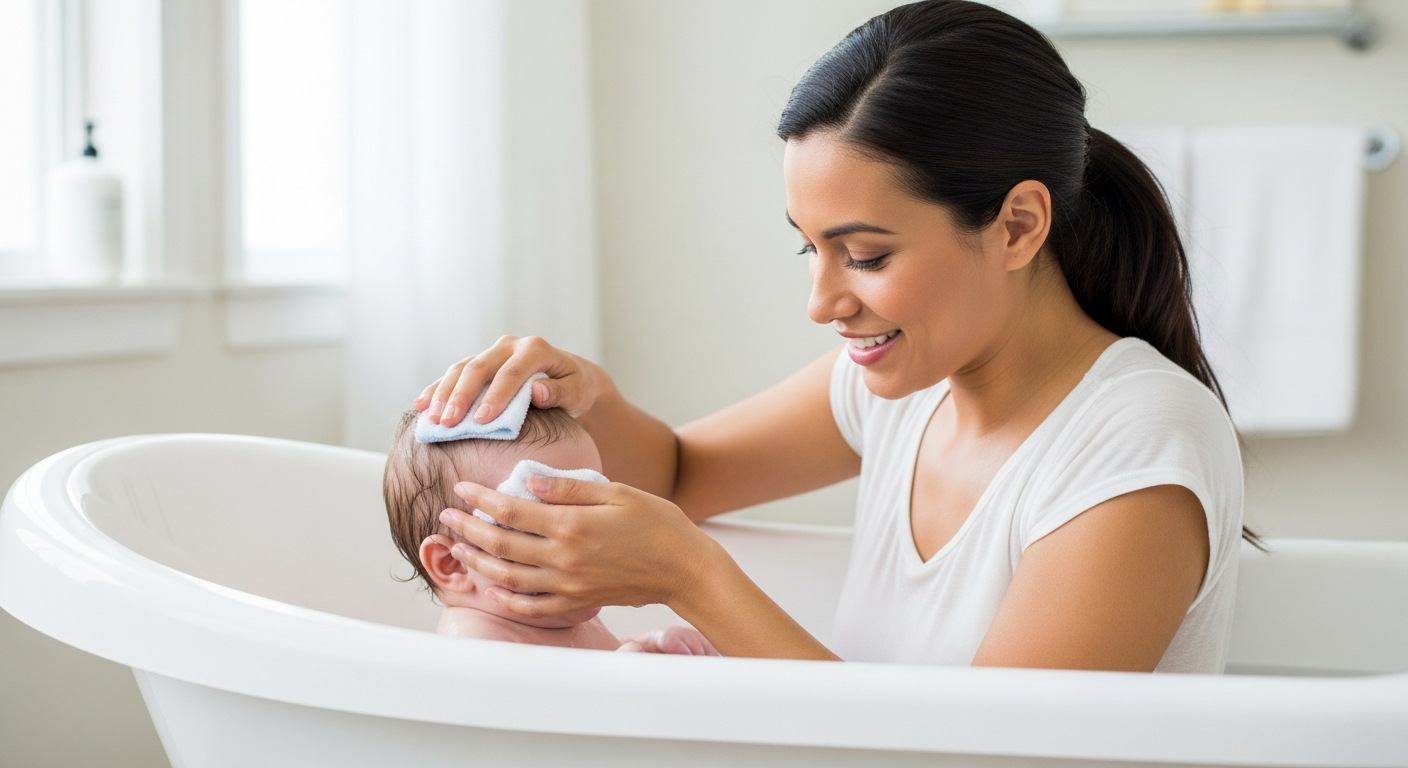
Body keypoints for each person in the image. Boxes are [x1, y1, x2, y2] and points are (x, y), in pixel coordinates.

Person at [417, 0, 1244, 672]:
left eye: (867, 255)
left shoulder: (1135, 444)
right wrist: (590, 397)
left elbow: (989, 758)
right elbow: (677, 472)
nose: (822, 302)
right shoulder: (901, 385)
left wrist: (694, 578)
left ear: (1019, 226)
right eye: (810, 248)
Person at [383, 407, 719, 655]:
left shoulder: (564, 615)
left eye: (593, 507)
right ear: (453, 563)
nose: (586, 537)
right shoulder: (478, 647)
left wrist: (647, 649)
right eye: (542, 521)